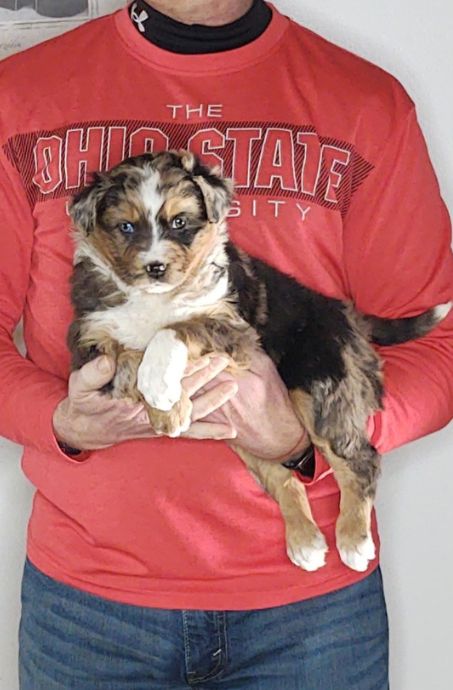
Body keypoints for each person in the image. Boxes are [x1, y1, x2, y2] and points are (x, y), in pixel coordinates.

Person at [0, 1, 452, 687]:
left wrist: (304, 433)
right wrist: (56, 421)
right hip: (89, 609)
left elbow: (437, 342)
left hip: (310, 617)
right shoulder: (21, 96)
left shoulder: (364, 102)